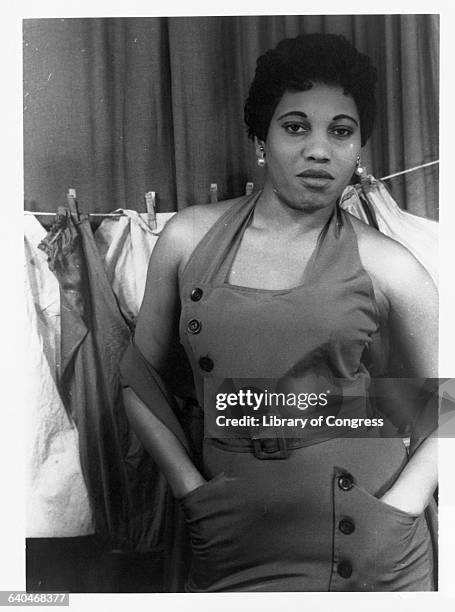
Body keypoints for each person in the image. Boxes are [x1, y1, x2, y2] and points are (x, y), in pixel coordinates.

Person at [120, 33, 438, 592]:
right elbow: (139, 384)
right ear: (261, 138)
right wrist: (191, 493)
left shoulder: (393, 268)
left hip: (372, 556)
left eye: (341, 131)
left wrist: (400, 511)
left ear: (360, 147)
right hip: (228, 544)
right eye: (296, 126)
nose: (319, 150)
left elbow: (443, 407)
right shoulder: (188, 239)